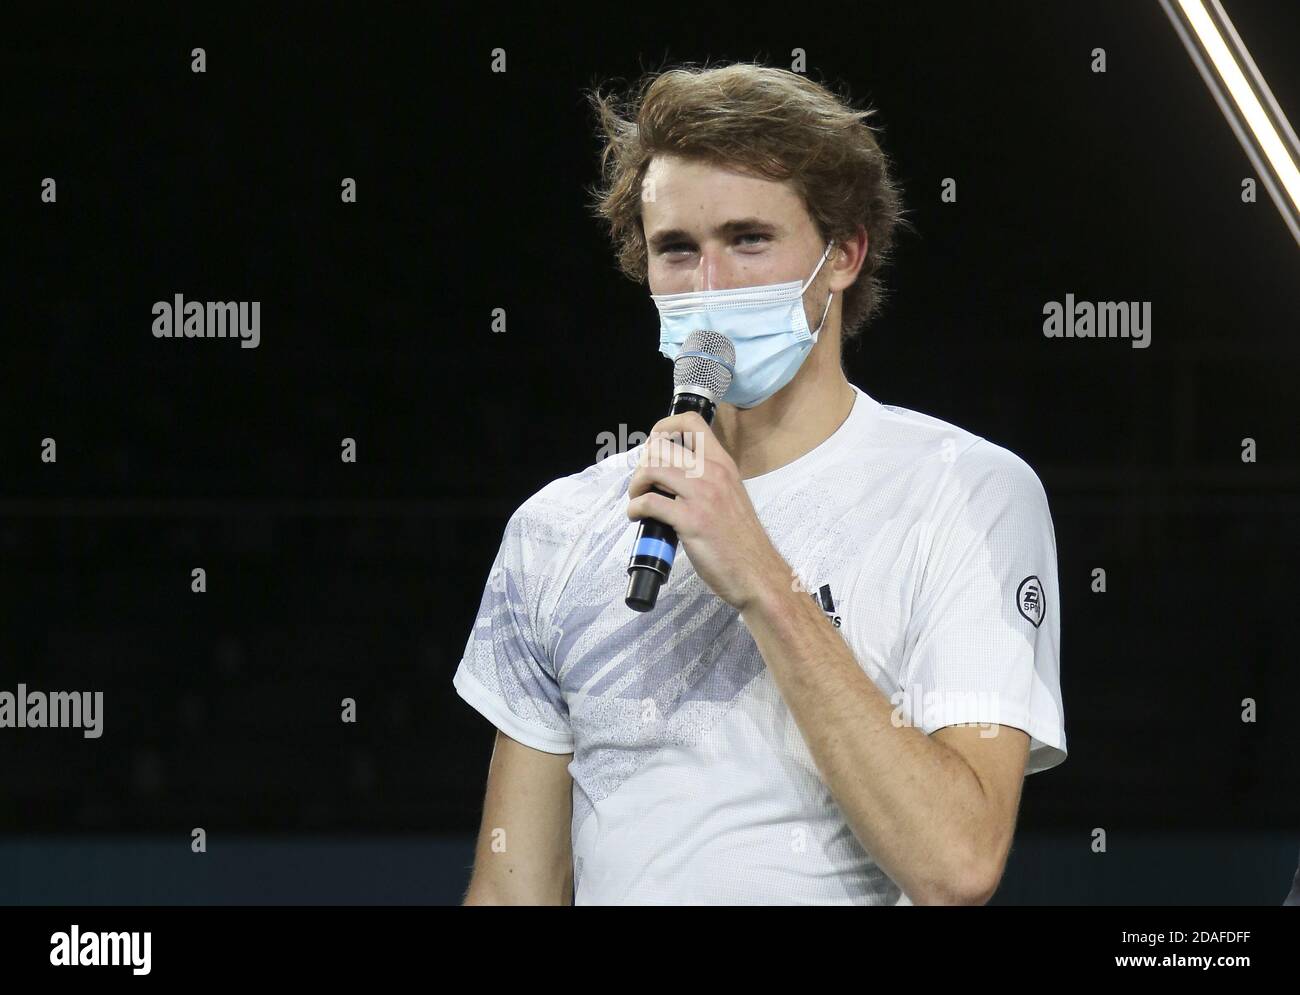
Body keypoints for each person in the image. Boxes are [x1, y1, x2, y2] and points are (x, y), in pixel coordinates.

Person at [453, 62, 1067, 905]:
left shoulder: (967, 494)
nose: (708, 289)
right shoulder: (556, 528)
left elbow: (955, 863)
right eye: (676, 249)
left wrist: (763, 582)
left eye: (748, 239)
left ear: (844, 253)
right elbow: (513, 887)